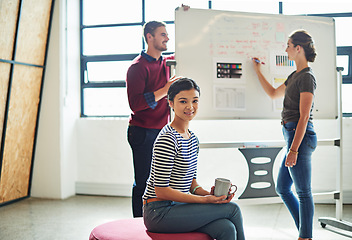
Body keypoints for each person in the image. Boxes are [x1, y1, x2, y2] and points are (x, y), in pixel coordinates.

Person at [142, 78, 245, 240]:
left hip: (180, 208)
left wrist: (209, 195)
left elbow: (191, 182)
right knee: (233, 209)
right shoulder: (167, 138)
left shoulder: (192, 139)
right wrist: (204, 201)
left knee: (226, 228)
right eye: (183, 101)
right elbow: (161, 190)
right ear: (171, 103)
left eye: (195, 101)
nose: (190, 107)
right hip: (159, 212)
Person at [252, 30, 317, 240]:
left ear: (298, 48)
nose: (285, 49)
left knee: (304, 192)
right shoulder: (294, 76)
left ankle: (304, 236)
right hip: (292, 136)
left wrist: (294, 150)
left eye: (288, 45)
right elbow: (272, 93)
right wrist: (257, 71)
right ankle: (304, 231)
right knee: (282, 187)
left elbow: (304, 117)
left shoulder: (307, 77)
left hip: (301, 138)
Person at [126, 20, 181, 217]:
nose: (168, 38)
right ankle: (137, 225)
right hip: (142, 132)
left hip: (161, 131)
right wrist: (164, 91)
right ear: (149, 37)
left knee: (162, 181)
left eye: (167, 34)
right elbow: (136, 104)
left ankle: (156, 220)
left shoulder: (167, 63)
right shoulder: (137, 67)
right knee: (143, 181)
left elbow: (187, 50)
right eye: (163, 34)